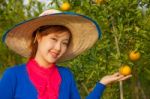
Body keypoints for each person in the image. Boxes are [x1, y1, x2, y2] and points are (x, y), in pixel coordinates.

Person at [0, 9, 132, 99]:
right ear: (38, 37)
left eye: (64, 43)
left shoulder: (66, 75)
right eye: (54, 39)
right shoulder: (13, 76)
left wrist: (102, 83)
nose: (58, 48)